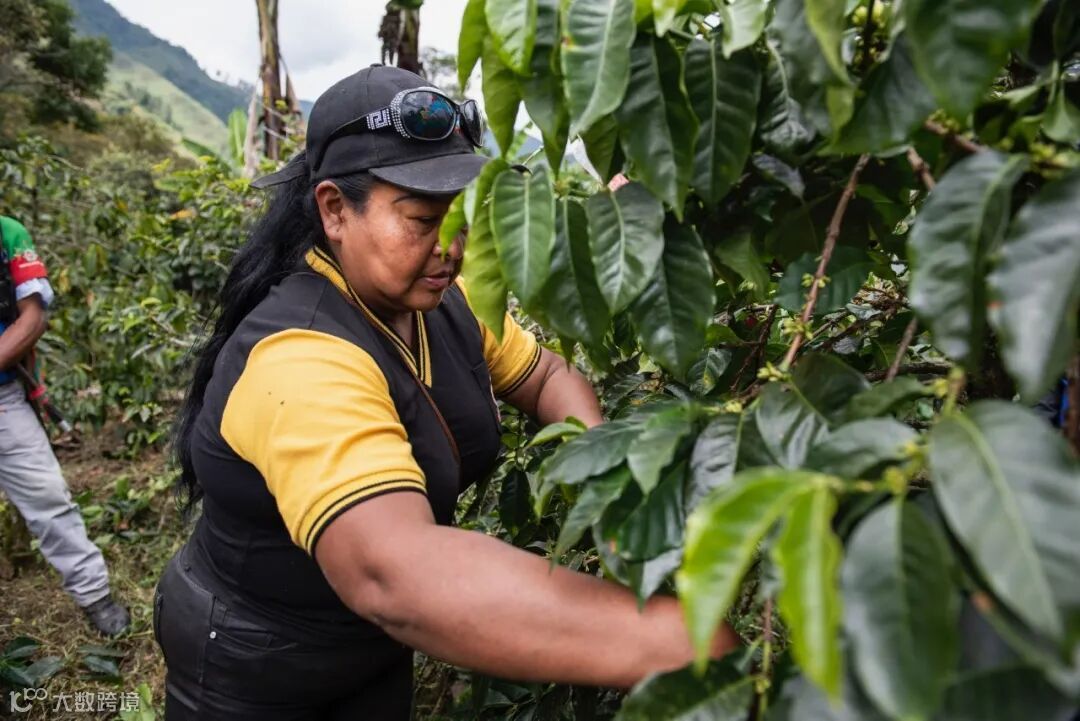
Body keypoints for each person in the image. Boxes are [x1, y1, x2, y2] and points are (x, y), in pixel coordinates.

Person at [156, 65, 738, 720]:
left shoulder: (445, 301)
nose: (451, 248)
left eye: (462, 219)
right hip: (257, 663)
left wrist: (602, 473)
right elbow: (395, 574)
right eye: (422, 220)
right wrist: (672, 639)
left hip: (369, 648)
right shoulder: (299, 357)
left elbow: (545, 376)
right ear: (335, 210)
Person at [0, 215, 130, 637]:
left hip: (4, 398)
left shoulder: (7, 233)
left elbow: (32, 319)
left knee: (48, 497)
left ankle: (95, 596)